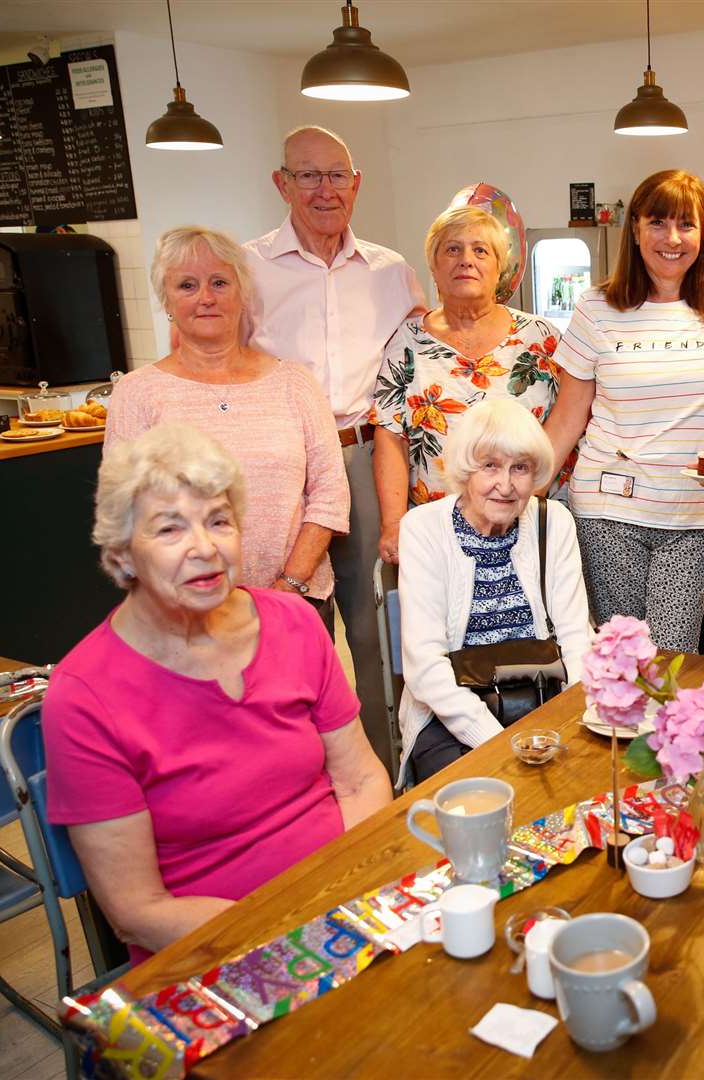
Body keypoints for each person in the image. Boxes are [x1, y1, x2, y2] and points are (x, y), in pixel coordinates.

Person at [42, 424, 391, 964]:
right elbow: (136, 910)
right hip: (211, 954)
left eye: (219, 521)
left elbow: (362, 779)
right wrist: (292, 933)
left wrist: (345, 898)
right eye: (169, 529)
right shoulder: (84, 696)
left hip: (344, 906)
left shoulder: (294, 624)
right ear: (123, 554)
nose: (203, 548)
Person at [243, 124, 426, 769]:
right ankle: (301, 768)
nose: (326, 190)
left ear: (357, 183)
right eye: (308, 175)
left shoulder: (392, 272)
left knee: (380, 616)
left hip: (366, 453)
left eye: (337, 175)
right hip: (281, 465)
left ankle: (389, 764)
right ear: (282, 184)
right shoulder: (245, 268)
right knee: (292, 620)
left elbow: (420, 369)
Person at [540, 170, 704, 652]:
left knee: (672, 657)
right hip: (607, 507)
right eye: (657, 222)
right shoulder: (596, 308)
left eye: (686, 224)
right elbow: (568, 419)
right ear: (634, 229)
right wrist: (519, 494)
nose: (672, 239)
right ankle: (626, 732)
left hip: (694, 513)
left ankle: (668, 731)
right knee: (624, 657)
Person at [106, 225, 348, 627]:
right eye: (187, 285)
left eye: (220, 282)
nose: (206, 298)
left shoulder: (295, 383)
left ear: (242, 293)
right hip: (186, 612)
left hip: (297, 603)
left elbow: (330, 495)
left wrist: (287, 588)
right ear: (167, 300)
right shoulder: (137, 393)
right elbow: (126, 512)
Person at [397, 397, 592, 785]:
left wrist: (566, 723)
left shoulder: (554, 523)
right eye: (490, 466)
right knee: (480, 799)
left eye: (520, 468)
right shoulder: (422, 528)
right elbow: (425, 666)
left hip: (544, 699)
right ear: (467, 469)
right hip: (450, 715)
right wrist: (497, 743)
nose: (505, 485)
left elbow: (576, 638)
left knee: (592, 780)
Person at [374, 205, 562, 540]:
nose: (466, 259)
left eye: (480, 250)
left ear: (499, 266)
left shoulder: (540, 338)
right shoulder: (406, 341)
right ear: (433, 266)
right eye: (452, 249)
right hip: (437, 528)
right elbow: (390, 437)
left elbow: (567, 425)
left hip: (527, 521)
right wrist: (392, 525)